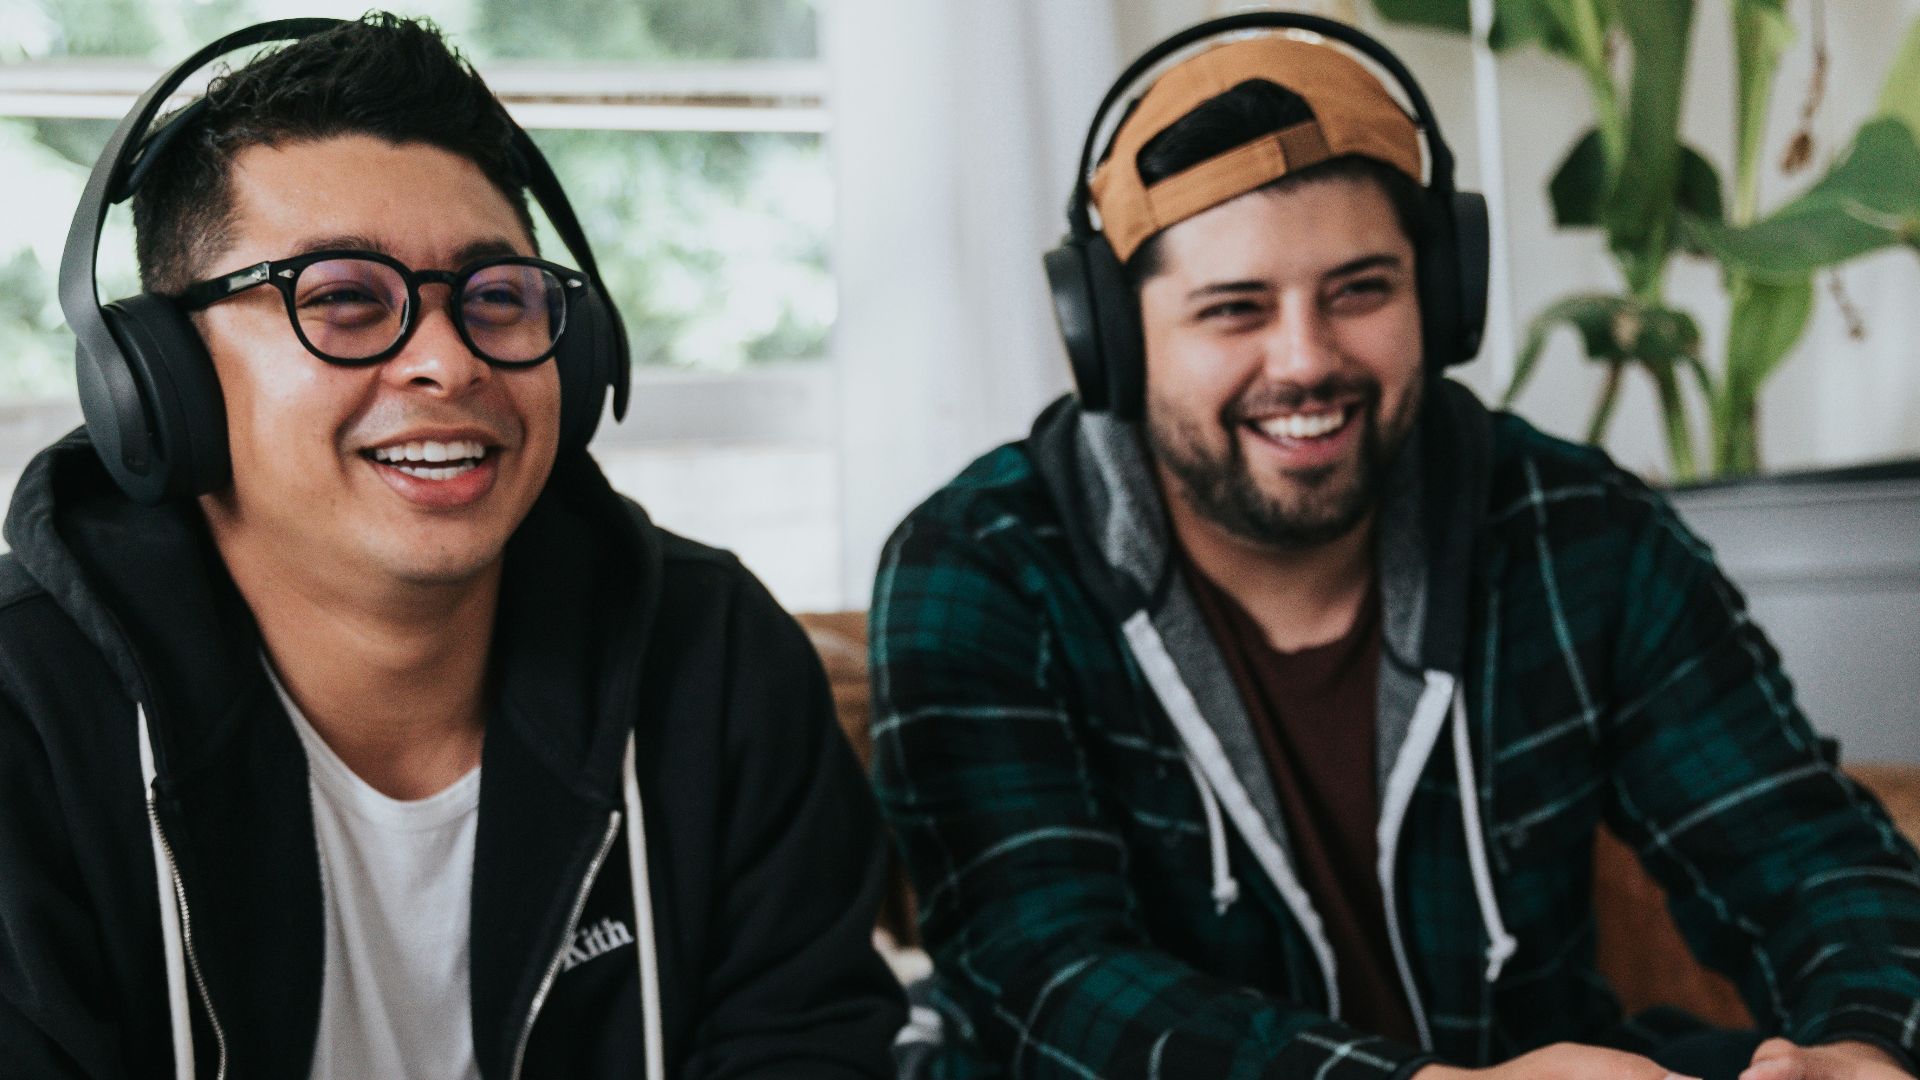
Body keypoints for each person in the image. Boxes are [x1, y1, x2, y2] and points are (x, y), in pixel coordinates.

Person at [868, 13, 1920, 1080]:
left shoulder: (1578, 528)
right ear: (1113, 339)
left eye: (1359, 290)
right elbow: (1046, 978)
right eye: (1234, 310)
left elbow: (1805, 854)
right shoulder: (981, 567)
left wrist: (1862, 1044)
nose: (1307, 359)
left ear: (1444, 296)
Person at [0, 14, 901, 1079]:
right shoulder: (25, 718)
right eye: (341, 298)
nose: (448, 361)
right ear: (158, 381)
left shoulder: (715, 660)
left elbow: (810, 1048)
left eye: (496, 298)